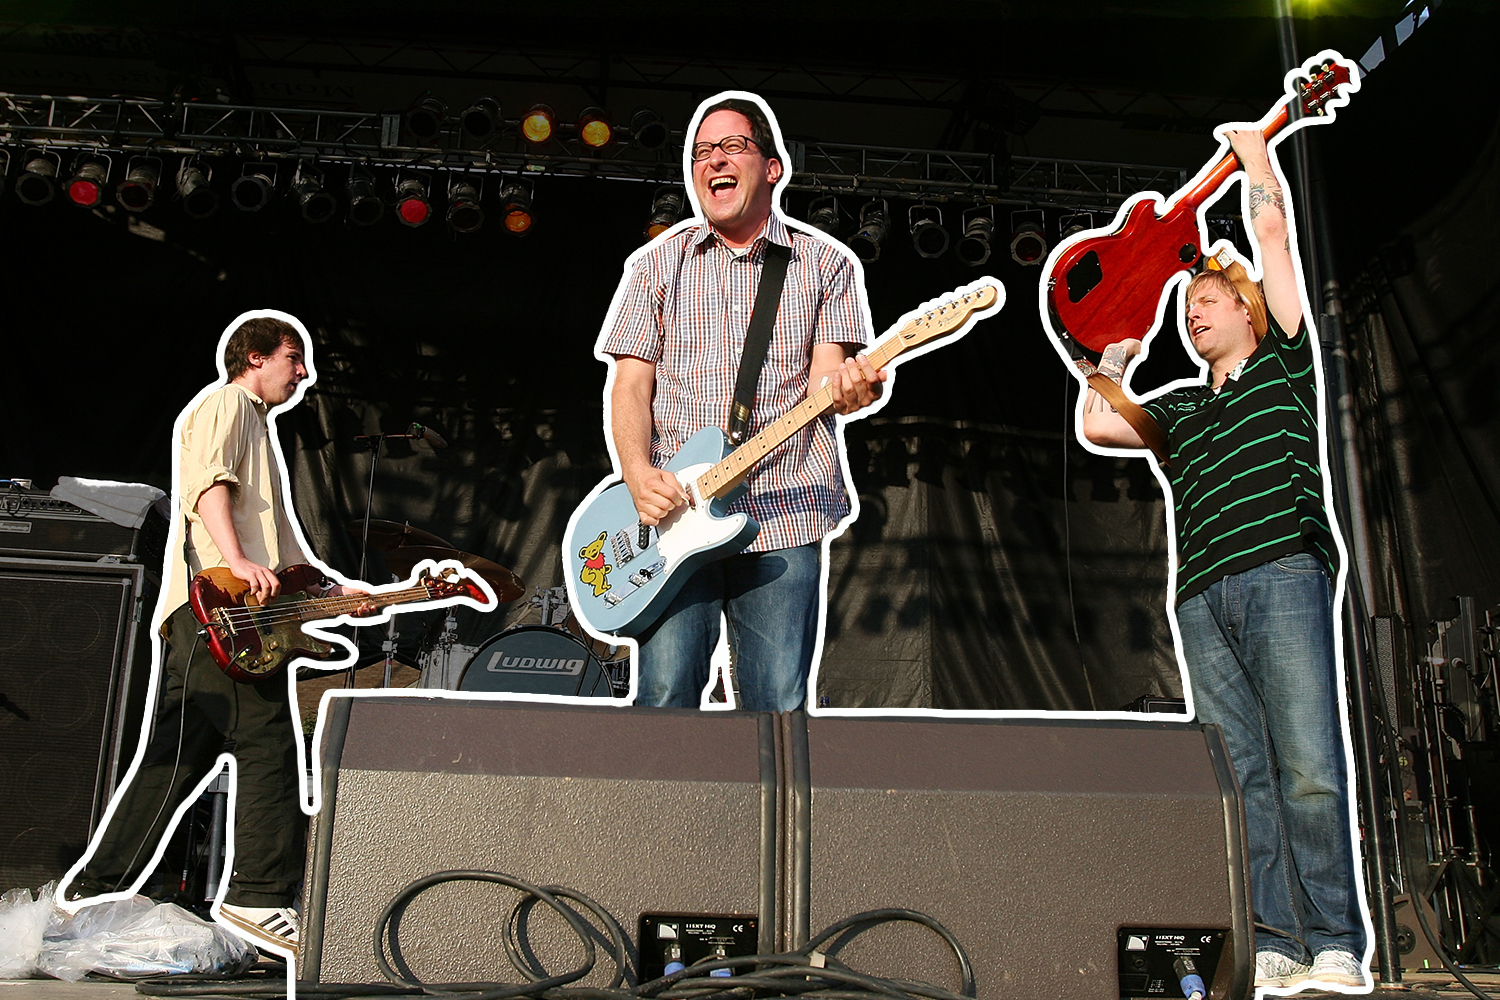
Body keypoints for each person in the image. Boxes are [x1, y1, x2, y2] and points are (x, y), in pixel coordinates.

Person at [1080, 130, 1367, 989]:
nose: (1195, 311)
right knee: (1244, 776)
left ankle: (1336, 943)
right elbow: (1098, 425)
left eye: (1210, 298)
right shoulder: (1183, 413)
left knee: (1309, 766)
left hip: (1283, 572)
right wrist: (1116, 354)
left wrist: (1259, 162)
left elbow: (1273, 242)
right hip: (1203, 596)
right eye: (1189, 306)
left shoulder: (1285, 363)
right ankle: (1276, 939)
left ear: (1245, 310)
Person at [63, 315, 371, 959]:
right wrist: (236, 561)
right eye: (294, 358)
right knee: (266, 741)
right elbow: (209, 487)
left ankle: (91, 897)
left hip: (210, 616)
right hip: (216, 609)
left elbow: (283, 554)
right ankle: (260, 896)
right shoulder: (228, 401)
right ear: (255, 357)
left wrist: (334, 593)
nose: (304, 374)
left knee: (172, 762)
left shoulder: (259, 428)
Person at [598, 93, 883, 712]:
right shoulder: (655, 265)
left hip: (784, 516)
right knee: (666, 696)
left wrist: (858, 390)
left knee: (775, 709)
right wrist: (638, 473)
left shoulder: (826, 264)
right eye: (701, 151)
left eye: (731, 146)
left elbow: (829, 384)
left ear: (772, 168)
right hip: (677, 518)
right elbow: (630, 384)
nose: (712, 161)